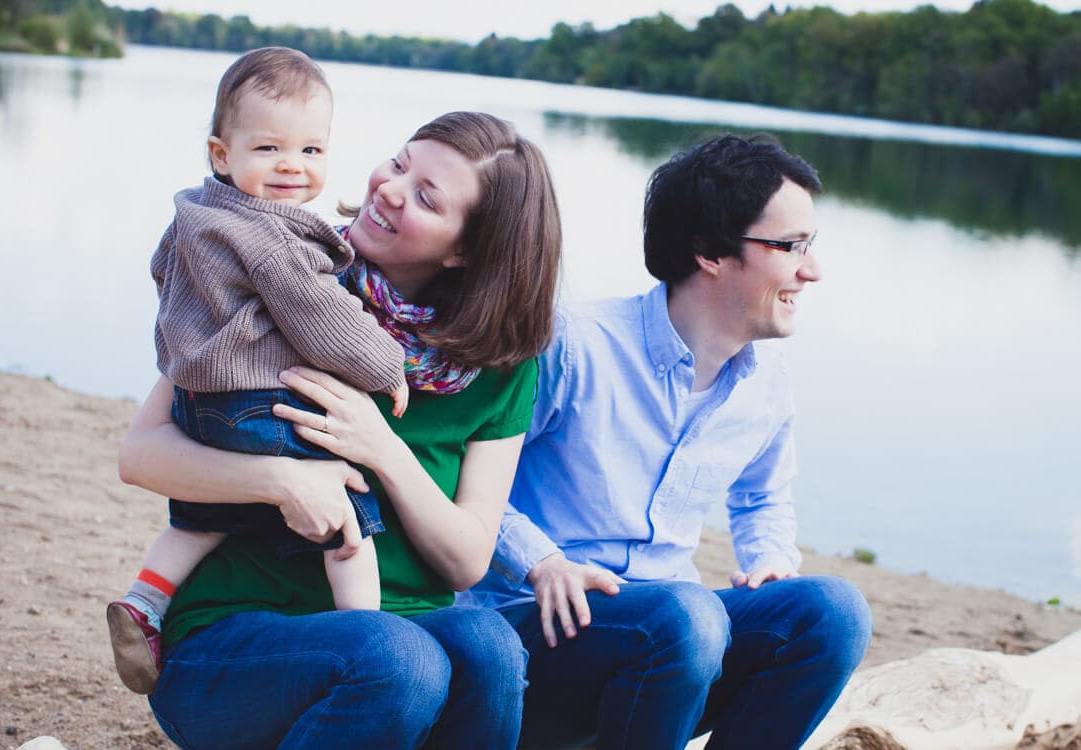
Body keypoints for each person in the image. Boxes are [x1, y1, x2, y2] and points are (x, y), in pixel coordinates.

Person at [116, 109, 562, 749]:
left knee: (489, 644)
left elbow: (466, 560)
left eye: (426, 197)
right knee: (396, 659)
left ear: (467, 249)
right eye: (401, 163)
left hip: (401, 626)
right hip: (235, 636)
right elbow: (141, 454)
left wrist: (380, 448)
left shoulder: (502, 364)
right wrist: (281, 479)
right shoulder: (285, 270)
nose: (390, 187)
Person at [462, 133, 873, 749]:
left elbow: (762, 500)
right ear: (709, 251)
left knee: (832, 612)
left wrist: (769, 559)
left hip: (676, 641)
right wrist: (541, 560)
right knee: (685, 615)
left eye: (809, 246)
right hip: (533, 630)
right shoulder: (574, 344)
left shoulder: (768, 381)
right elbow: (466, 482)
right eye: (789, 247)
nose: (810, 270)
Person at [107, 46, 413, 696]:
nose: (290, 167)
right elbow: (324, 323)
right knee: (350, 508)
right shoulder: (276, 240)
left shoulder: (193, 213)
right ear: (221, 153)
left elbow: (163, 279)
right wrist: (387, 365)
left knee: (202, 515)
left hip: (199, 402)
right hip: (259, 404)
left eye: (311, 151)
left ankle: (144, 601)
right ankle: (366, 628)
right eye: (268, 148)